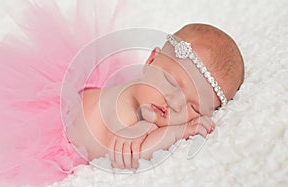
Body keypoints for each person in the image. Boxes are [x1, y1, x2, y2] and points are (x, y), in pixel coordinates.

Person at [70, 23, 244, 169]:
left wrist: (176, 132)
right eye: (171, 82)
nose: (175, 104)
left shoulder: (154, 128)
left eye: (194, 107)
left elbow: (131, 155)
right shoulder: (132, 100)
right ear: (151, 60)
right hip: (59, 114)